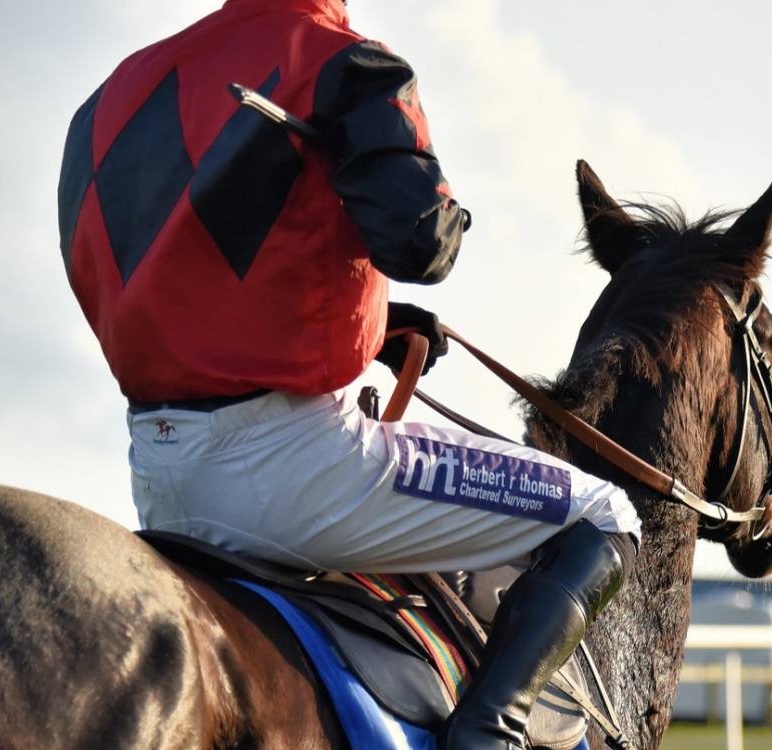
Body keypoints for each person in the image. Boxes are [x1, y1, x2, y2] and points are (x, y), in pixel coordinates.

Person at [53, 1, 641, 747]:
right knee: (604, 515)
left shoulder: (112, 93)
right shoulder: (348, 63)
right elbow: (423, 244)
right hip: (292, 467)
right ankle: (488, 731)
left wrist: (367, 329)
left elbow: (193, 277)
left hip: (157, 472)